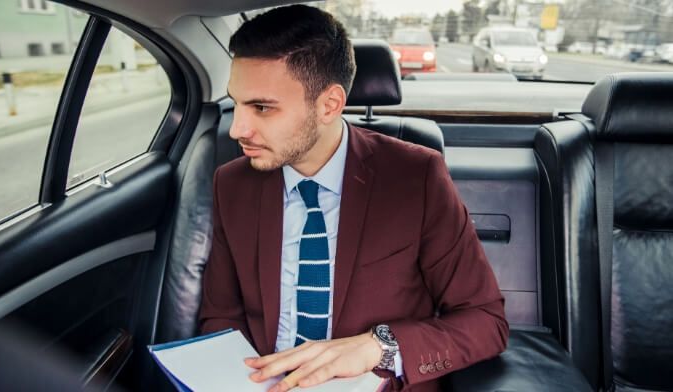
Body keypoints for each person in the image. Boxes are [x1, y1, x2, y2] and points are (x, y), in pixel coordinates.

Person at [198, 5, 508, 391]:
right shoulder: (233, 184)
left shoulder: (415, 178)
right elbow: (220, 317)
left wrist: (379, 347)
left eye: (262, 107)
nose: (238, 129)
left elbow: (485, 320)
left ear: (329, 104)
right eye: (237, 103)